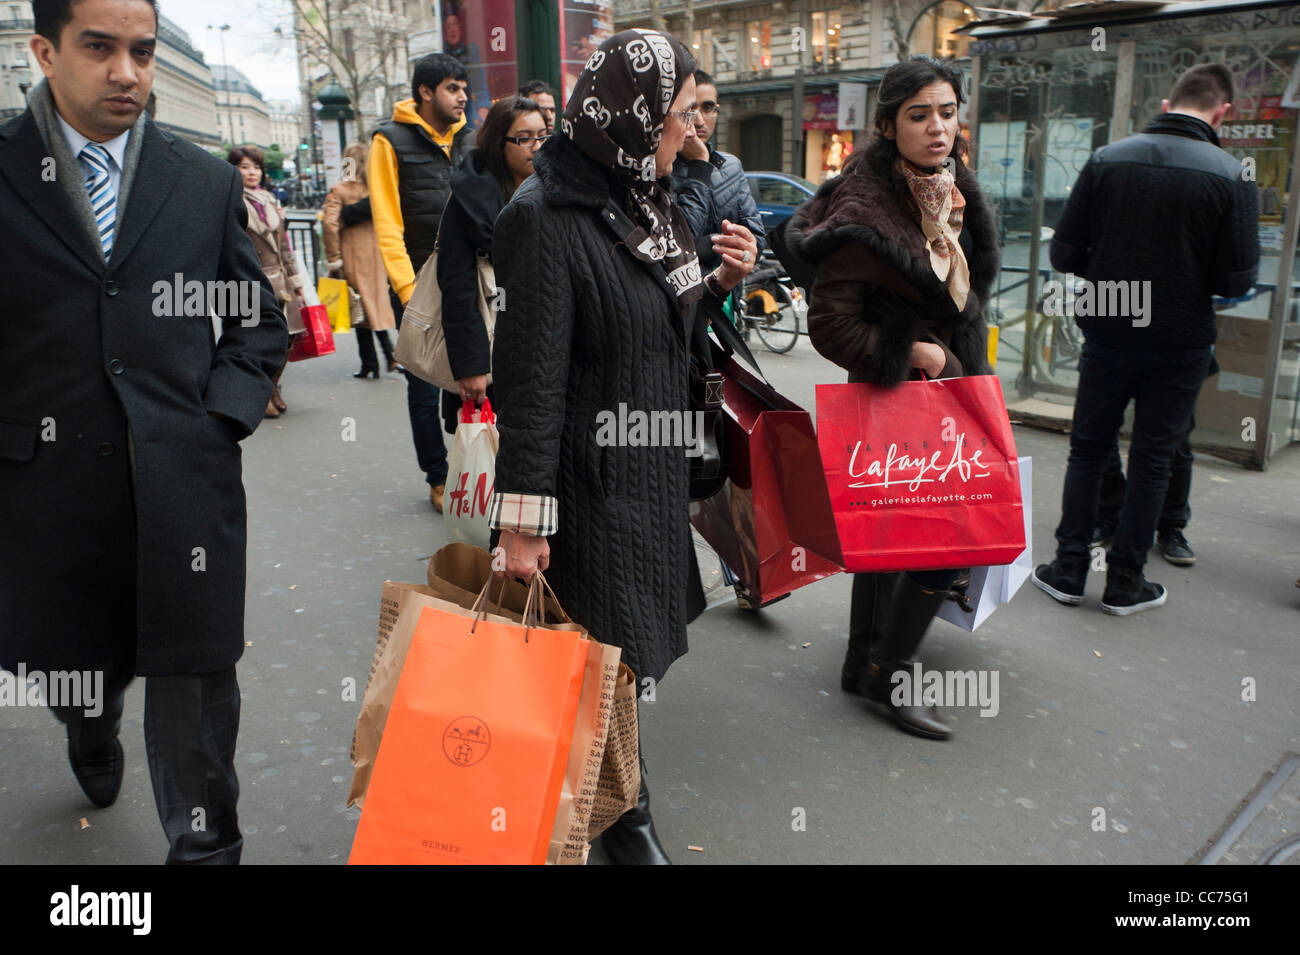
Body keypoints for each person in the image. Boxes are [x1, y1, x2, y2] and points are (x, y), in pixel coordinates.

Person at [1, 0, 287, 862]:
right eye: (99, 48)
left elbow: (256, 322)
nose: (127, 71)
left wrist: (219, 420)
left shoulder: (199, 182)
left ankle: (205, 848)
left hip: (182, 484)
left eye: (143, 51)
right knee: (77, 663)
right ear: (44, 50)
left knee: (197, 683)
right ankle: (90, 720)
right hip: (44, 488)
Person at [489, 29, 757, 862]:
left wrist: (715, 287)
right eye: (681, 116)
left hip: (649, 464)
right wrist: (523, 524)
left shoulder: (647, 194)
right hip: (589, 482)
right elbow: (529, 386)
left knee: (619, 653)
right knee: (602, 654)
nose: (694, 134)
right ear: (634, 116)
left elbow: (661, 323)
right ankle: (622, 818)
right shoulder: (542, 218)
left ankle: (613, 802)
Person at [786, 56, 1000, 740]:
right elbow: (830, 322)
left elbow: (964, 288)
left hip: (950, 382)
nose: (937, 127)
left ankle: (863, 661)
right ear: (888, 125)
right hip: (902, 386)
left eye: (946, 111)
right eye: (918, 115)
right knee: (947, 539)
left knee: (888, 530)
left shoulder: (949, 185)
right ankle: (891, 672)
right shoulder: (867, 208)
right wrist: (913, 350)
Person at [1033, 63, 1259, 615]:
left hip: (1108, 325)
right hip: (1180, 339)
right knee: (1155, 456)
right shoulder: (1233, 174)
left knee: (1087, 449)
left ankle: (1067, 571)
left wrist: (1112, 270)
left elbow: (1063, 254)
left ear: (1166, 103)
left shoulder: (1108, 158)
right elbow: (1237, 280)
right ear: (1222, 110)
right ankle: (1125, 584)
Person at [672, 67, 768, 610]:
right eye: (692, 109)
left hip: (718, 327)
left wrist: (744, 249)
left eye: (709, 109)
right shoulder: (670, 169)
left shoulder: (729, 166)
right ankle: (686, 568)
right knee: (688, 445)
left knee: (718, 441)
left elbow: (750, 227)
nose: (701, 120)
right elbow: (682, 239)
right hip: (679, 321)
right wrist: (699, 170)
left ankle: (742, 570)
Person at [369, 52, 475, 512]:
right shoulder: (388, 140)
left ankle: (477, 468)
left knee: (476, 374)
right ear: (426, 92)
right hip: (418, 282)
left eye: (464, 88)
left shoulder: (472, 138)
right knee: (424, 384)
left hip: (472, 277)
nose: (463, 97)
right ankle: (438, 475)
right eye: (453, 88)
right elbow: (387, 222)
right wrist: (410, 293)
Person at [435, 94, 546, 432]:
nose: (536, 146)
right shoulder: (469, 198)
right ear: (500, 142)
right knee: (496, 458)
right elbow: (456, 283)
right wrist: (471, 366)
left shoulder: (552, 191)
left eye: (543, 136)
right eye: (524, 138)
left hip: (543, 348)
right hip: (492, 348)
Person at [229, 145, 303, 418]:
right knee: (259, 341)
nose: (252, 172)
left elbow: (284, 246)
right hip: (252, 280)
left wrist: (296, 280)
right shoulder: (232, 201)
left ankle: (272, 387)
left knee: (288, 339)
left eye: (256, 167)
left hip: (280, 278)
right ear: (234, 169)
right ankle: (261, 396)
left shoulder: (269, 200)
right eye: (245, 167)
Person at [322, 141, 397, 378]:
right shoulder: (375, 189)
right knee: (371, 307)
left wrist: (333, 258)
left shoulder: (340, 190)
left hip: (352, 257)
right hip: (376, 256)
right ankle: (386, 358)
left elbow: (329, 224)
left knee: (359, 311)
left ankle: (373, 363)